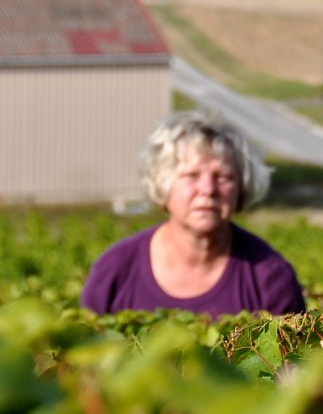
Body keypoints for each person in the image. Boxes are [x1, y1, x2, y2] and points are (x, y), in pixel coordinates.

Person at [81, 112, 306, 317]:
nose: (208, 189)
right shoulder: (114, 272)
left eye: (223, 177)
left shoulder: (270, 278)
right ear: (162, 186)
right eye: (191, 176)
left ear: (241, 189)